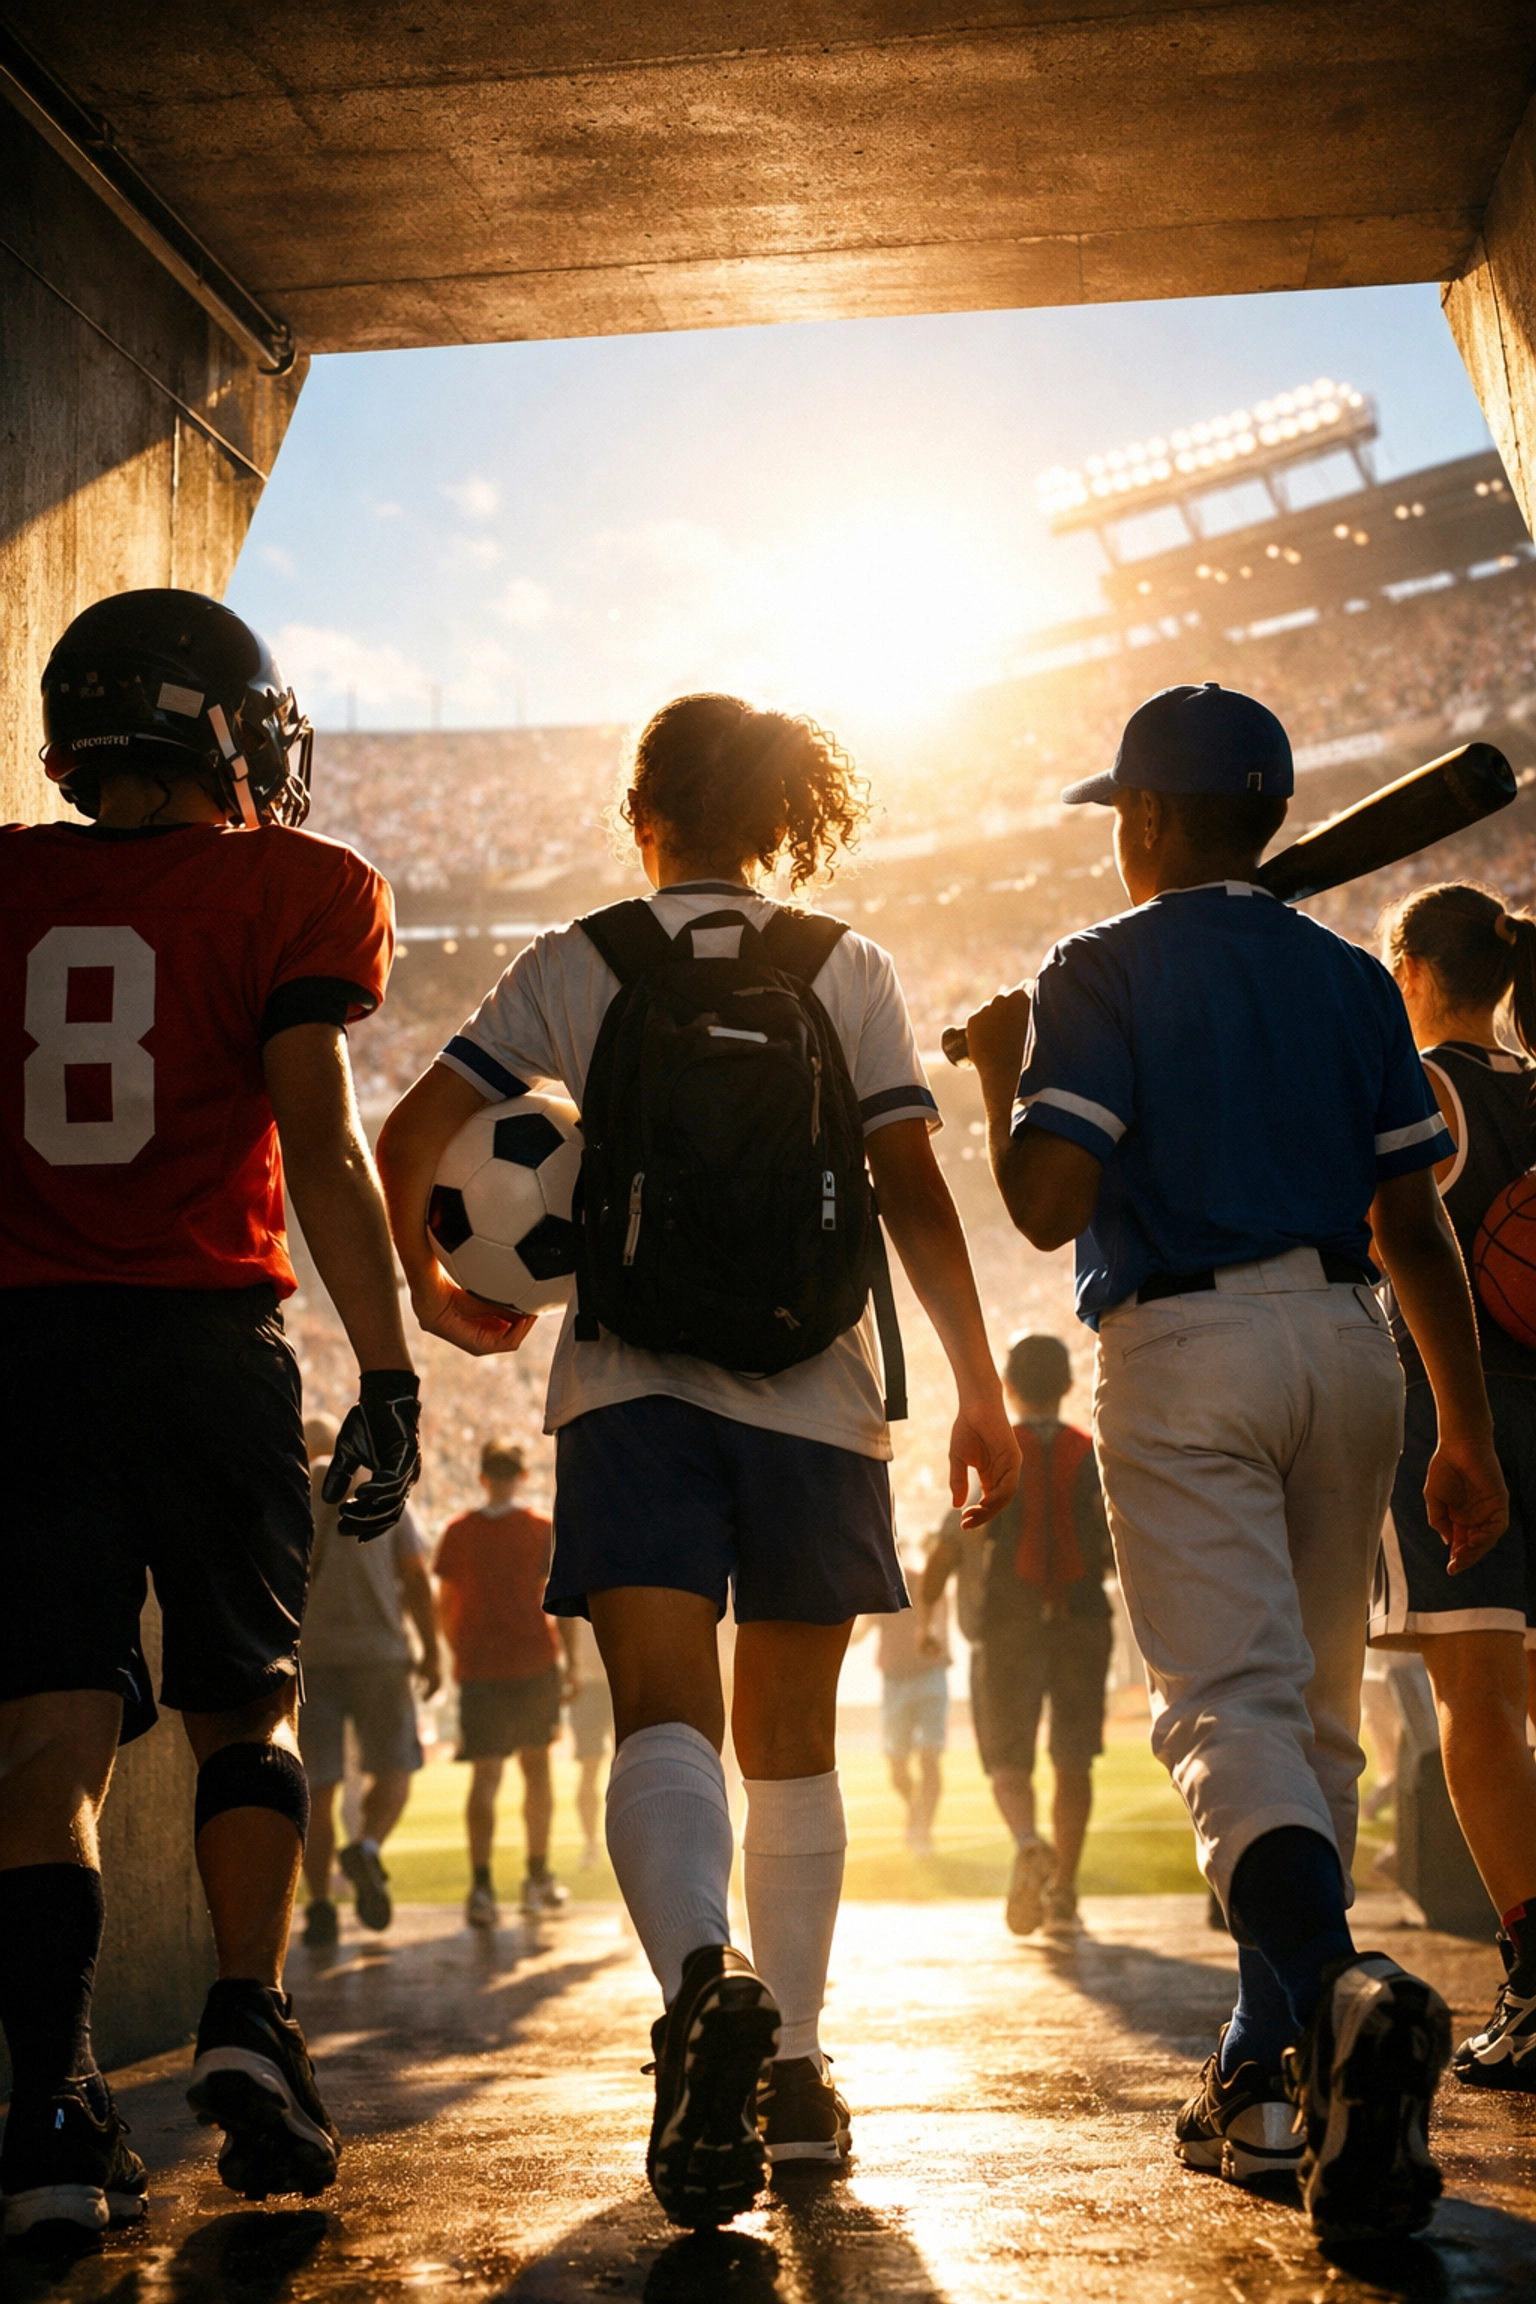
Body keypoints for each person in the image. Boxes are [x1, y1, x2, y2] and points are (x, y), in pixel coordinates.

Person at [378, 692, 1018, 2227]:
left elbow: (407, 1138)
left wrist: (435, 1286)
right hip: (818, 1390)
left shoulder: (581, 958)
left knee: (662, 1722)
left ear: (643, 812)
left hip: (632, 1388)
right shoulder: (843, 962)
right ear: (774, 818)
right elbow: (914, 1193)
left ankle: (695, 1995)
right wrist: (981, 1387)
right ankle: (795, 2071)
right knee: (792, 1739)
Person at [964, 681, 1507, 2242]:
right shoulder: (1349, 979)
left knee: (1228, 1714)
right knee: (1313, 1728)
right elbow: (1412, 1226)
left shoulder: (1093, 968)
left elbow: (1050, 1203)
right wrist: (1463, 1426)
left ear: (1140, 822)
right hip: (1353, 1348)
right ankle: (1267, 2075)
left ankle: (1333, 1994)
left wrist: (1004, 1066)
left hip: (1188, 1350)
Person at [0, 591, 421, 2238]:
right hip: (205, 1341)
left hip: (26, 1350)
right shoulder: (297, 886)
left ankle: (43, 2101)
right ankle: (247, 2014)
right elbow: (317, 1136)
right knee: (243, 1709)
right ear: (212, 727)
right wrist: (386, 1360)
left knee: (42, 1735)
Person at [1371, 882, 1536, 2089]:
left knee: (1476, 1699)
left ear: (1412, 967)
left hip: (1458, 1421)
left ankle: (1533, 1974)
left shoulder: (1429, 1088)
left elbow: (1381, 1234)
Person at [922, 1330, 1112, 1942]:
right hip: (1082, 1619)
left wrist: (927, 1621)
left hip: (1008, 1624)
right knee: (1073, 1757)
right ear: (1067, 1385)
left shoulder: (997, 1459)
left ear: (1007, 1385)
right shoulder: (1094, 1456)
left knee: (1007, 1757)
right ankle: (1065, 1893)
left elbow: (950, 1549)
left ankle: (1029, 1842)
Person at [297, 1413, 441, 1949]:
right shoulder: (384, 1486)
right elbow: (416, 1576)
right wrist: (431, 1651)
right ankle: (369, 1848)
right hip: (381, 1653)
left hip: (315, 1656)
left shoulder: (292, 1494)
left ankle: (318, 1908)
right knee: (395, 1767)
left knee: (318, 1787)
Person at [434, 1441, 572, 1926]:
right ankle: (535, 1876)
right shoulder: (537, 1529)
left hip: (485, 1668)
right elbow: (558, 1599)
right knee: (535, 1772)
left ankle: (484, 1886)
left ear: (481, 1476)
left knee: (487, 1776)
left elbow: (445, 1605)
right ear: (522, 1473)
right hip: (533, 1662)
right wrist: (571, 1662)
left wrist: (460, 1652)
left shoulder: (460, 1531)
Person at [855, 1556, 950, 1856]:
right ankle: (916, 1814)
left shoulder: (926, 1584)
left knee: (929, 1757)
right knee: (897, 1769)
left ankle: (923, 1829)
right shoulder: (878, 1588)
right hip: (895, 1681)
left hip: (928, 1676)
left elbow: (940, 1624)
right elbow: (858, 1635)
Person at [564, 1614, 614, 1875]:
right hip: (588, 1684)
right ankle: (591, 1844)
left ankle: (621, 1842)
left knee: (629, 1765)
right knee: (590, 1767)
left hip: (618, 1675)